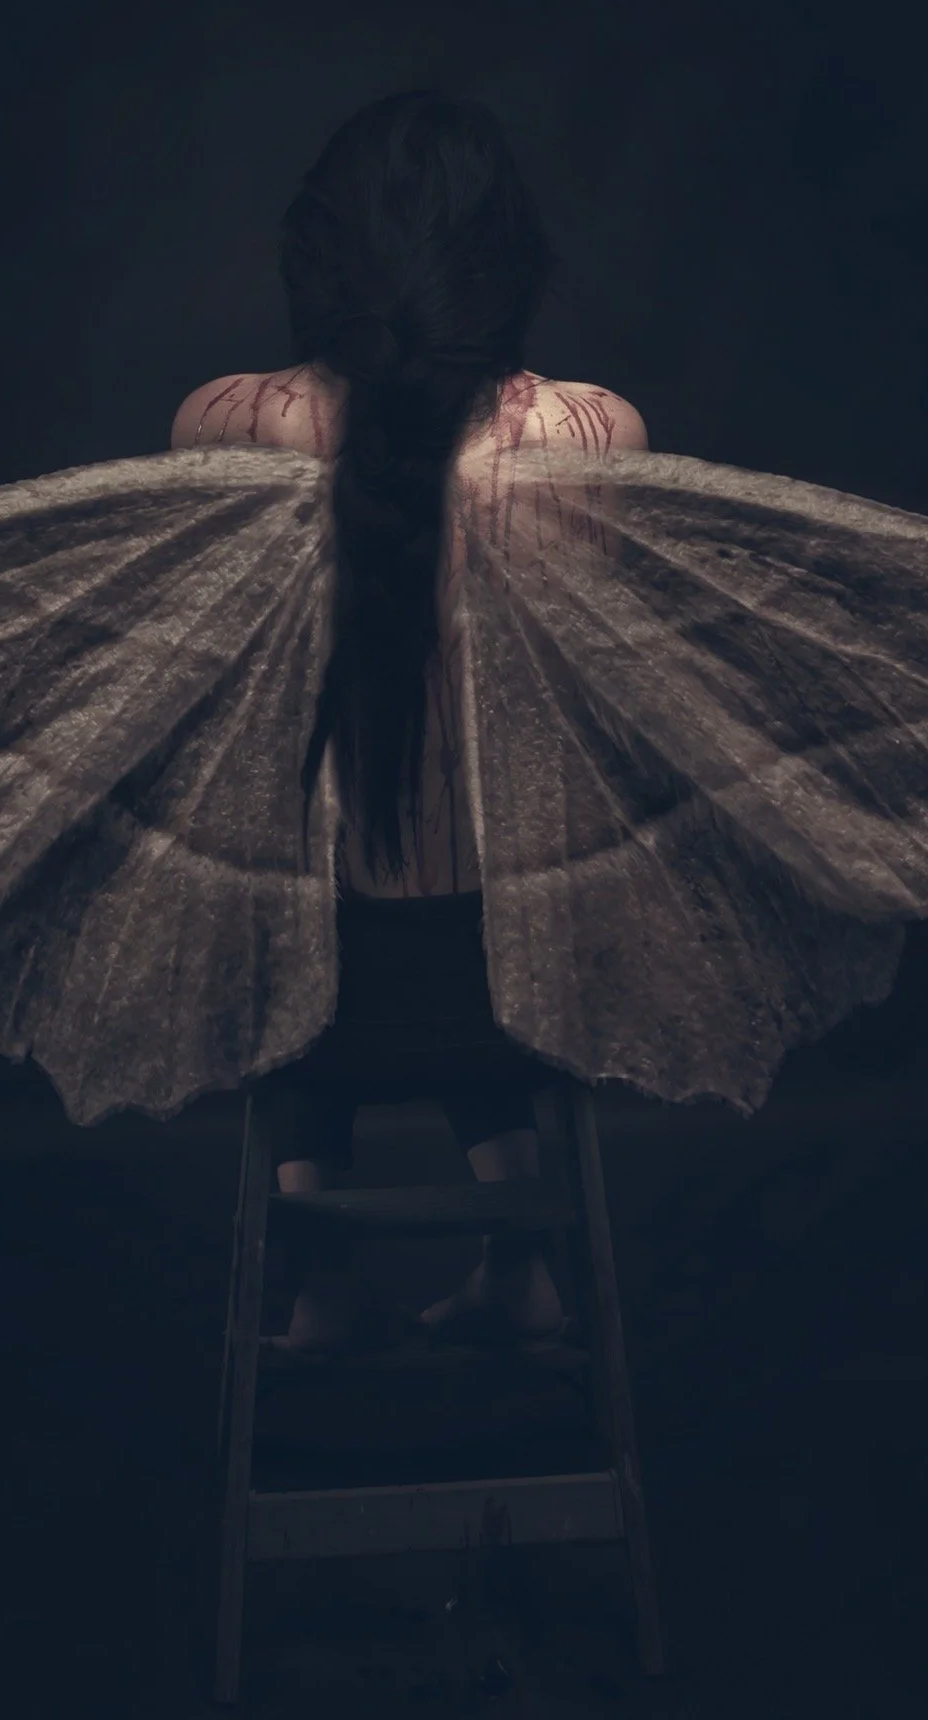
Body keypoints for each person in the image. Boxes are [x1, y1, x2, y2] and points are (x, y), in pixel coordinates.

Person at [171, 90, 649, 1352]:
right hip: (533, 972)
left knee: (306, 871)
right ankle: (524, 1259)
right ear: (503, 267)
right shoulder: (589, 435)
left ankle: (318, 1275)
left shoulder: (222, 427)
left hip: (303, 984)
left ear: (317, 258)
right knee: (464, 877)